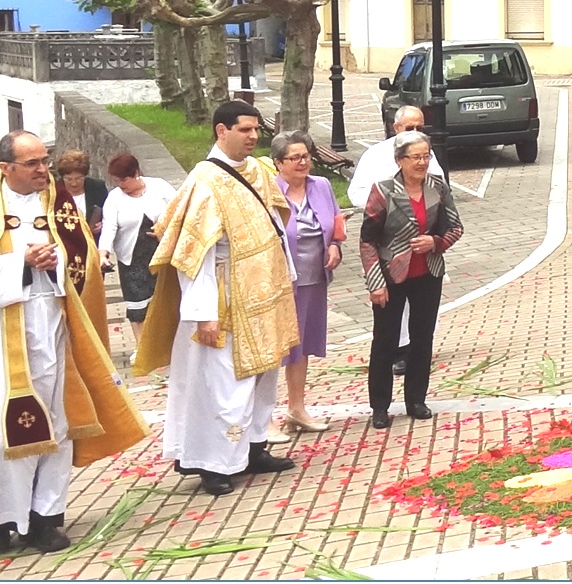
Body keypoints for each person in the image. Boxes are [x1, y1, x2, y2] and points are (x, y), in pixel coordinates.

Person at [0, 131, 149, 554]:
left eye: (45, 161)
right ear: (5, 168)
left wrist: (58, 265)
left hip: (53, 326)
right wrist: (20, 265)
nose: (43, 170)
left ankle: (45, 518)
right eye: (33, 163)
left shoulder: (57, 205)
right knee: (1, 431)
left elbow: (85, 263)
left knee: (57, 425)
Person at [134, 100, 300, 497]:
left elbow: (275, 224)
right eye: (244, 130)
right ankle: (211, 463)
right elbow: (195, 256)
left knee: (263, 376)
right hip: (224, 301)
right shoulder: (204, 183)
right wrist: (203, 314)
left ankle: (254, 446)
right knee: (222, 386)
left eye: (256, 129)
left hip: (265, 292)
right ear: (220, 131)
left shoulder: (258, 171)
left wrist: (287, 275)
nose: (253, 136)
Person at [359, 130, 463, 430]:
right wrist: (375, 282)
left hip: (427, 273)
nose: (422, 162)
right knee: (385, 341)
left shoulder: (437, 187)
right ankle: (380, 406)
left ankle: (416, 400)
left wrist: (436, 242)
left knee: (422, 339)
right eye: (415, 157)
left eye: (426, 156)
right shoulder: (383, 191)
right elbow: (367, 241)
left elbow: (455, 227)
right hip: (391, 274)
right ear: (400, 160)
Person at [348, 105, 445, 377]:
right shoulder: (375, 155)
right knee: (392, 302)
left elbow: (439, 188)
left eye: (419, 128)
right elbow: (356, 191)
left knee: (422, 305)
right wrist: (383, 206)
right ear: (395, 128)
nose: (414, 132)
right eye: (408, 128)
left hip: (421, 241)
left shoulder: (428, 155)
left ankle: (414, 351)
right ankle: (396, 350)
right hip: (388, 238)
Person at [268, 131, 343, 442]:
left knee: (301, 346)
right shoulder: (268, 191)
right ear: (278, 163)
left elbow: (336, 219)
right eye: (295, 158)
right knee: (275, 348)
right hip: (280, 281)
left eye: (306, 156)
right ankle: (266, 416)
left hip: (313, 277)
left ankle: (297, 408)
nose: (303, 162)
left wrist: (336, 245)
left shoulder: (321, 186)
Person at [98, 154, 175, 348]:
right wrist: (103, 252)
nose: (120, 184)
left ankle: (167, 344)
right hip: (131, 258)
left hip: (161, 253)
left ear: (136, 173)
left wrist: (163, 227)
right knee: (137, 303)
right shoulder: (114, 198)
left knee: (164, 300)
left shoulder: (159, 186)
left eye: (124, 179)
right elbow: (109, 228)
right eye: (116, 180)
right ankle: (142, 347)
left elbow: (179, 209)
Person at [55, 150, 108, 241]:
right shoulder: (54, 191)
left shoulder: (97, 187)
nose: (74, 183)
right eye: (68, 179)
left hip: (93, 244)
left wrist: (103, 224)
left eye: (79, 178)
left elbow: (109, 214)